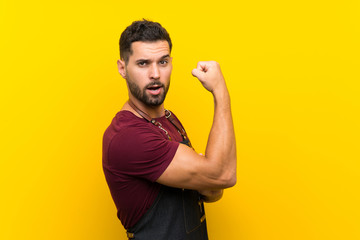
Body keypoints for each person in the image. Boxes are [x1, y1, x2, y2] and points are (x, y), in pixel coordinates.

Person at [102, 19, 237, 240]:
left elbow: (212, 191)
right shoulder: (128, 136)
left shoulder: (169, 120)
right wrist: (220, 91)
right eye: (143, 63)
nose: (155, 74)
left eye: (162, 62)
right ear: (122, 68)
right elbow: (223, 174)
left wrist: (209, 178)